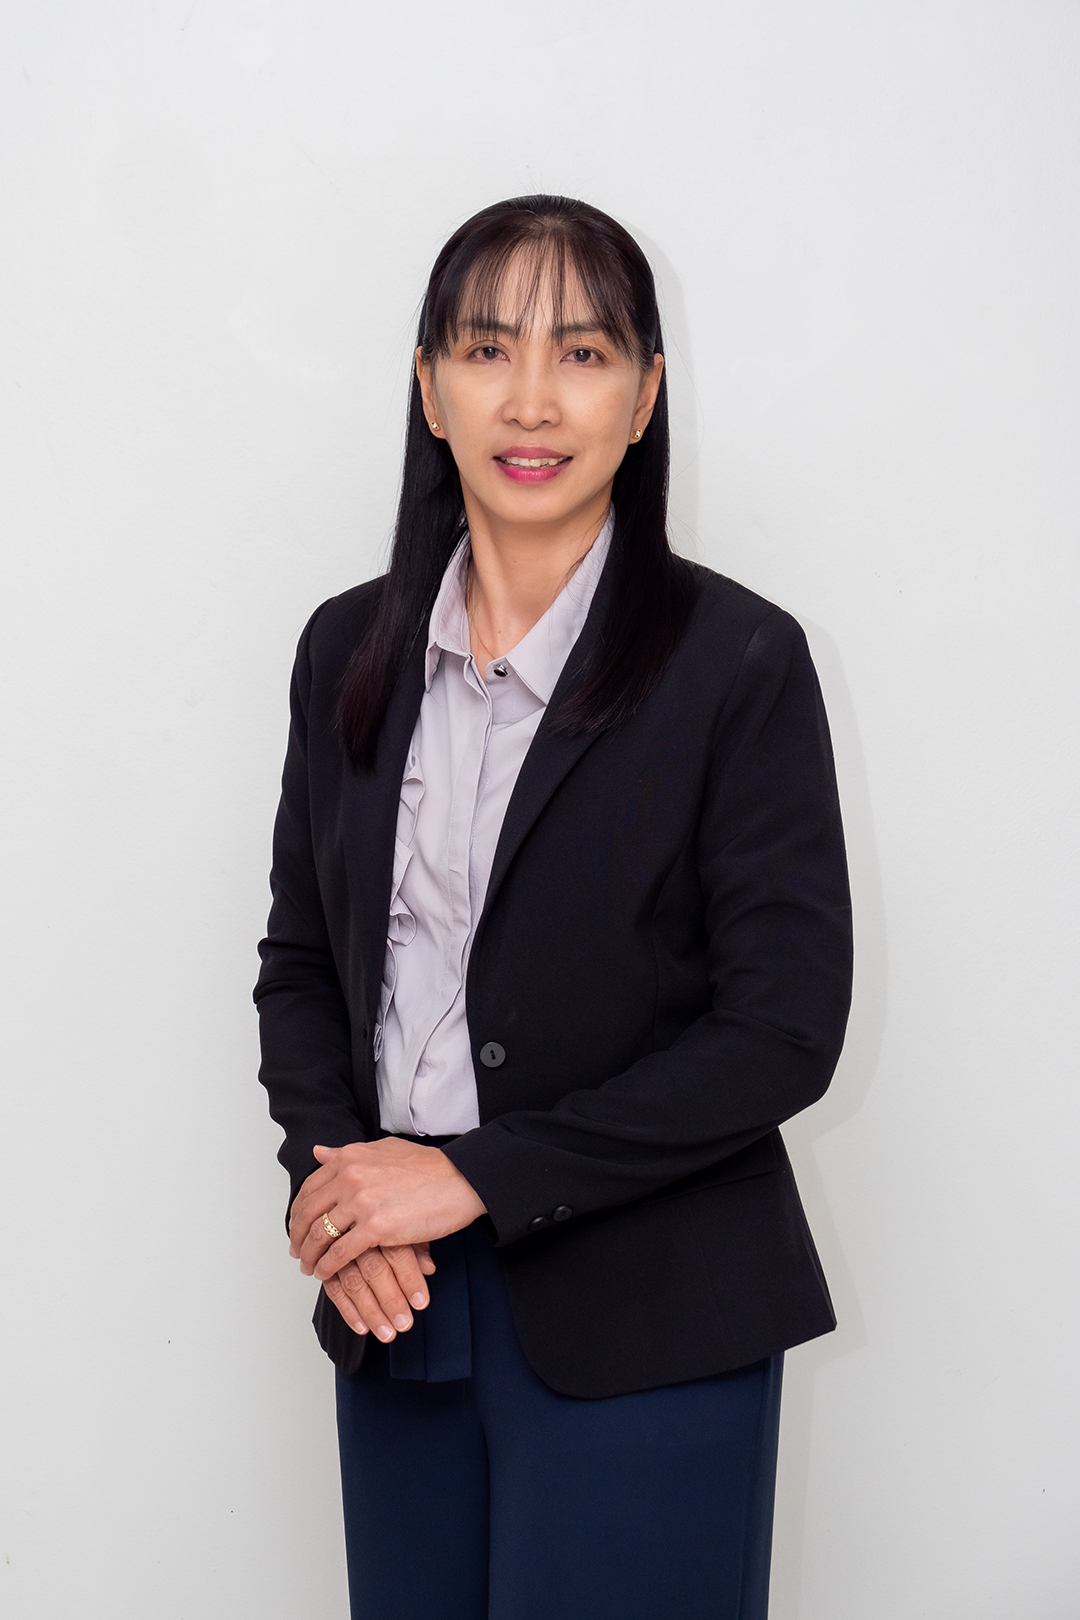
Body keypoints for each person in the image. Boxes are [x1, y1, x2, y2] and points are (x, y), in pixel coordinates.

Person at [255, 194, 852, 1620]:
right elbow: (303, 964)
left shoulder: (738, 661)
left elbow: (781, 1030)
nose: (531, 400)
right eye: (486, 350)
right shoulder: (346, 648)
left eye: (582, 354)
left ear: (645, 397)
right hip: (400, 1306)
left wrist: (475, 1175)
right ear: (429, 388)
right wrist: (342, 1191)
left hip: (648, 1315)